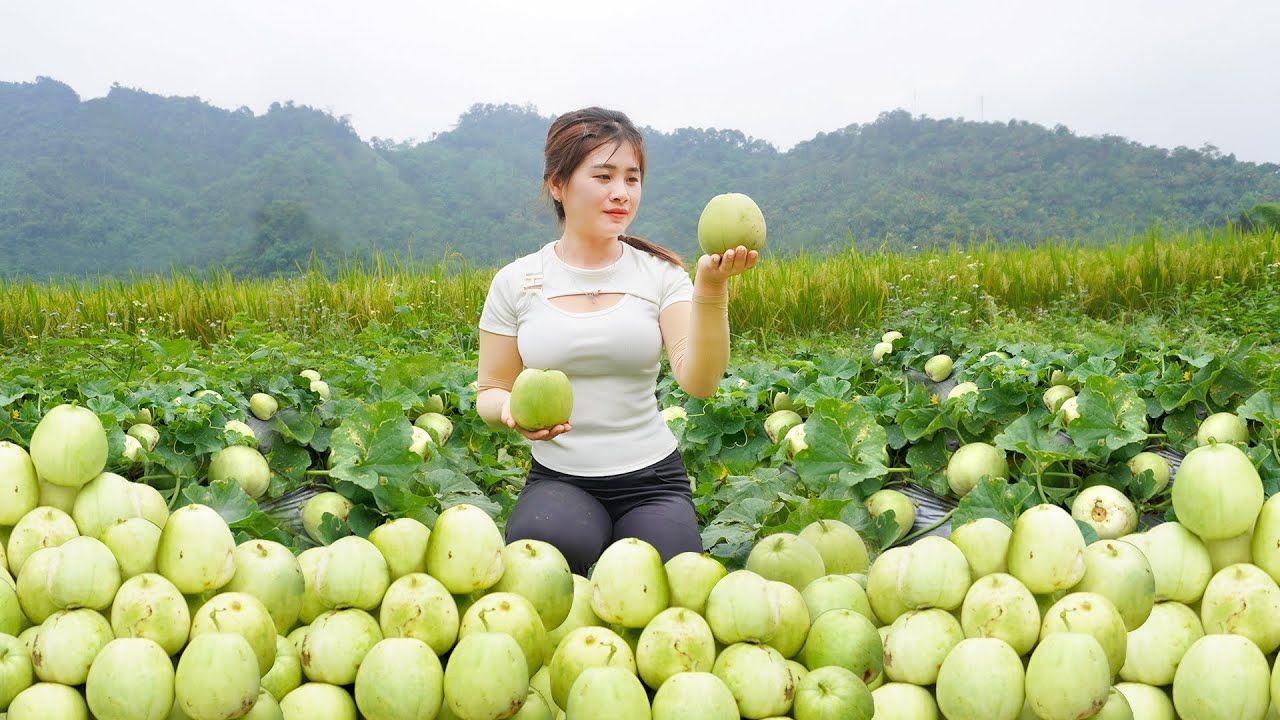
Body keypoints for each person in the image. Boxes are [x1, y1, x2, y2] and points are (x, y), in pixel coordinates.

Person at [475, 107, 758, 575]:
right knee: (545, 558)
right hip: (560, 478)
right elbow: (490, 391)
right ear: (557, 184)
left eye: (632, 178)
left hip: (653, 479)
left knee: (666, 575)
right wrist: (510, 413)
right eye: (603, 176)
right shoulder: (516, 281)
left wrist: (712, 288)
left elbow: (700, 382)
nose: (621, 193)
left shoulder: (662, 274)